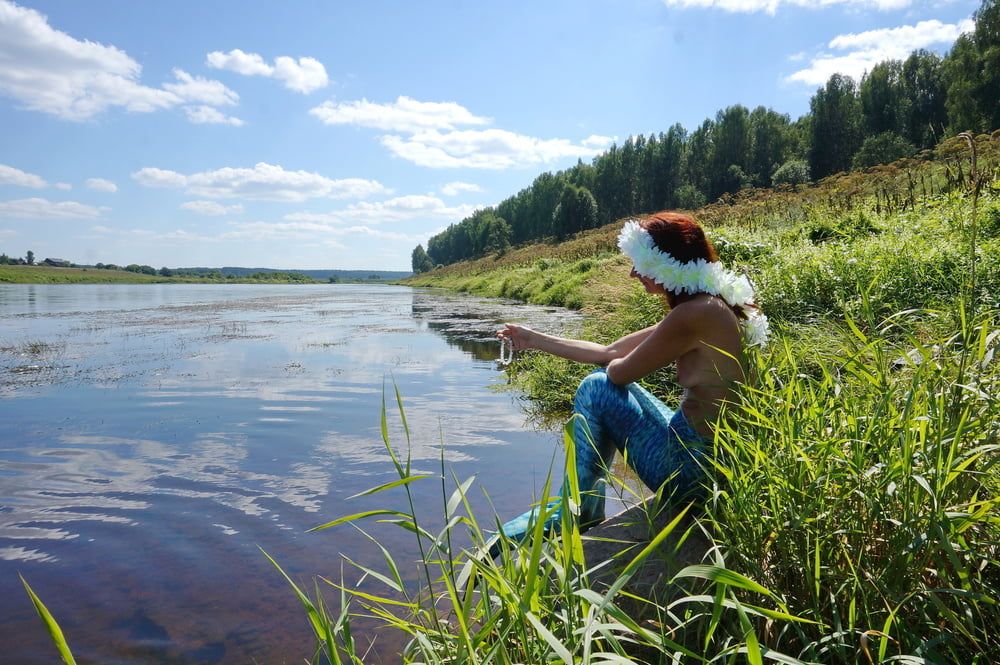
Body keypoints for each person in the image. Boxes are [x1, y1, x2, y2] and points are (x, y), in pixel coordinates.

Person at [494, 211, 768, 545]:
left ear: (662, 262)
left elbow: (618, 371)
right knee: (600, 378)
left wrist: (612, 366)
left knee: (596, 386)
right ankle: (584, 505)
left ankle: (578, 510)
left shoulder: (693, 314)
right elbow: (609, 350)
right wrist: (534, 338)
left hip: (690, 473)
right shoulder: (710, 306)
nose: (632, 273)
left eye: (639, 263)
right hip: (710, 460)